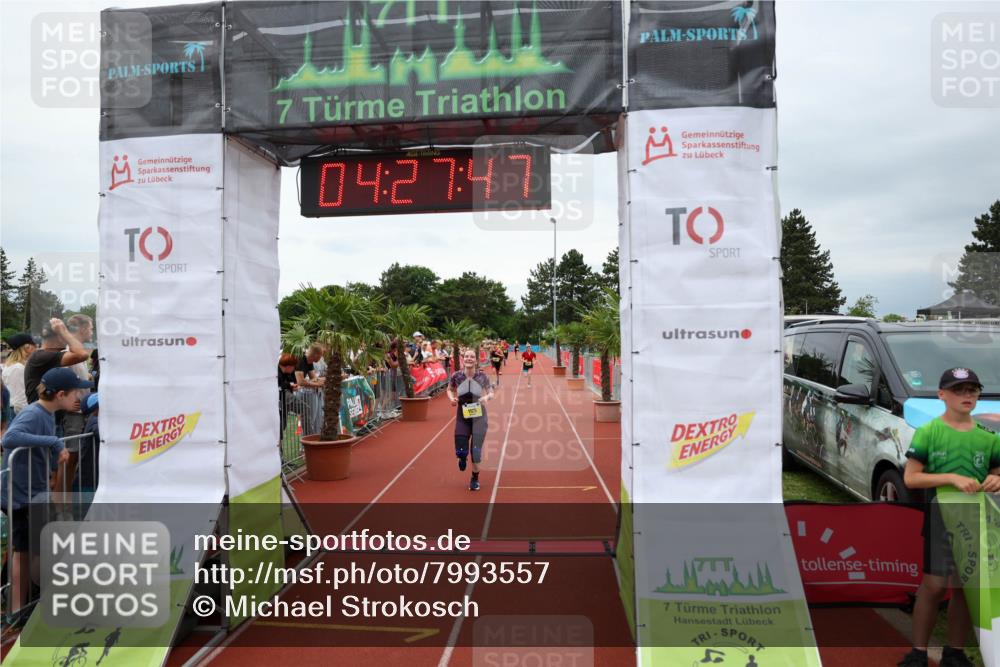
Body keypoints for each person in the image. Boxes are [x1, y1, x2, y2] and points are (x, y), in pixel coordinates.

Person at [898, 367, 1000, 667]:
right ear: (942, 395)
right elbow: (911, 478)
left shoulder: (989, 437)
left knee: (965, 587)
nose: (966, 395)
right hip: (940, 516)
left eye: (972, 390)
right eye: (958, 390)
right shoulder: (929, 431)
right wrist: (952, 478)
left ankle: (954, 652)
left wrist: (996, 479)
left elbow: (996, 473)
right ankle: (917, 653)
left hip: (976, 519)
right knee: (935, 585)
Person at [1, 367, 87, 611]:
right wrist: (53, 442)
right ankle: (18, 608)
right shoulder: (34, 413)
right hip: (20, 496)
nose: (78, 397)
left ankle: (27, 601)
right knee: (26, 551)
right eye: (75, 392)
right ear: (60, 395)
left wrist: (51, 466)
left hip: (33, 492)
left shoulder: (48, 414)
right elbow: (9, 439)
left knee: (35, 547)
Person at [447, 349, 495, 491]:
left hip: (479, 417)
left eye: (472, 357)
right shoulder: (457, 376)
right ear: (463, 359)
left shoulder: (482, 376)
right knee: (461, 451)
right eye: (467, 356)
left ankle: (474, 479)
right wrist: (452, 399)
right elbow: (449, 389)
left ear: (476, 360)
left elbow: (491, 392)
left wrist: (486, 397)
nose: (469, 358)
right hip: (463, 416)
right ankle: (462, 458)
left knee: (475, 452)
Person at [23, 318, 89, 405]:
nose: (69, 337)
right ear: (59, 337)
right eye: (65, 334)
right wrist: (63, 332)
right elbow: (82, 355)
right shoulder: (43, 356)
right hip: (42, 411)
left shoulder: (44, 355)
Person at [295, 344, 325, 437]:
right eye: (320, 355)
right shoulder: (301, 360)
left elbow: (314, 378)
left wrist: (321, 381)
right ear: (316, 355)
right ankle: (306, 441)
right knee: (308, 421)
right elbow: (300, 381)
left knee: (313, 420)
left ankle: (312, 439)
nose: (321, 358)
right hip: (296, 392)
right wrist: (318, 384)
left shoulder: (309, 362)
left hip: (303, 392)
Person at [3, 333, 36, 414]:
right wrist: (28, 415)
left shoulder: (15, 366)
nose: (35, 347)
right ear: (27, 347)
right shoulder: (17, 368)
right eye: (33, 345)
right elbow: (19, 400)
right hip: (17, 412)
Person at [77, 393, 100, 495]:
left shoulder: (96, 419)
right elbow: (102, 434)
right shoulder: (94, 421)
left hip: (92, 474)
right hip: (88, 478)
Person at [277, 353, 298, 437]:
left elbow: (293, 382)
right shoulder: (277, 373)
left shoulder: (287, 374)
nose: (294, 369)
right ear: (289, 366)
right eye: (293, 366)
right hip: (279, 404)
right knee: (280, 426)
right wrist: (289, 385)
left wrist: (291, 387)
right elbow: (280, 386)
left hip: (283, 405)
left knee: (283, 424)